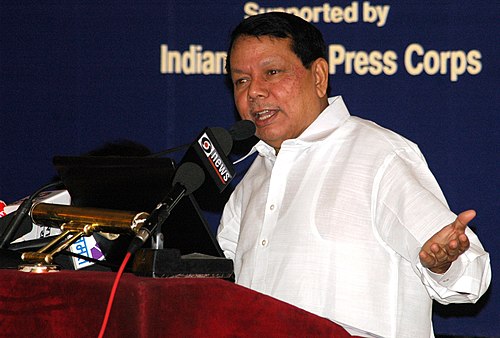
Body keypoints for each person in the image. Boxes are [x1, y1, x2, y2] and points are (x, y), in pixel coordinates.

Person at [216, 12, 491, 338]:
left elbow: (471, 275)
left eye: (272, 73)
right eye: (241, 80)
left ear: (318, 76)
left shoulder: (378, 154)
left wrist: (443, 263)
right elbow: (220, 293)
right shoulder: (250, 182)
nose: (254, 92)